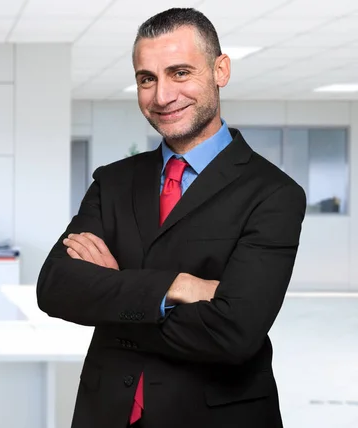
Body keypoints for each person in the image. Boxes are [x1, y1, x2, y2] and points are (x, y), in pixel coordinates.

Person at [36, 7, 307, 428]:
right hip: (106, 412)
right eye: (147, 78)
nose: (161, 96)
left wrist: (113, 293)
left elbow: (233, 333)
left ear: (221, 70)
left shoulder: (273, 194)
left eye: (180, 73)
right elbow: (54, 287)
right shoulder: (113, 182)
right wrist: (175, 286)